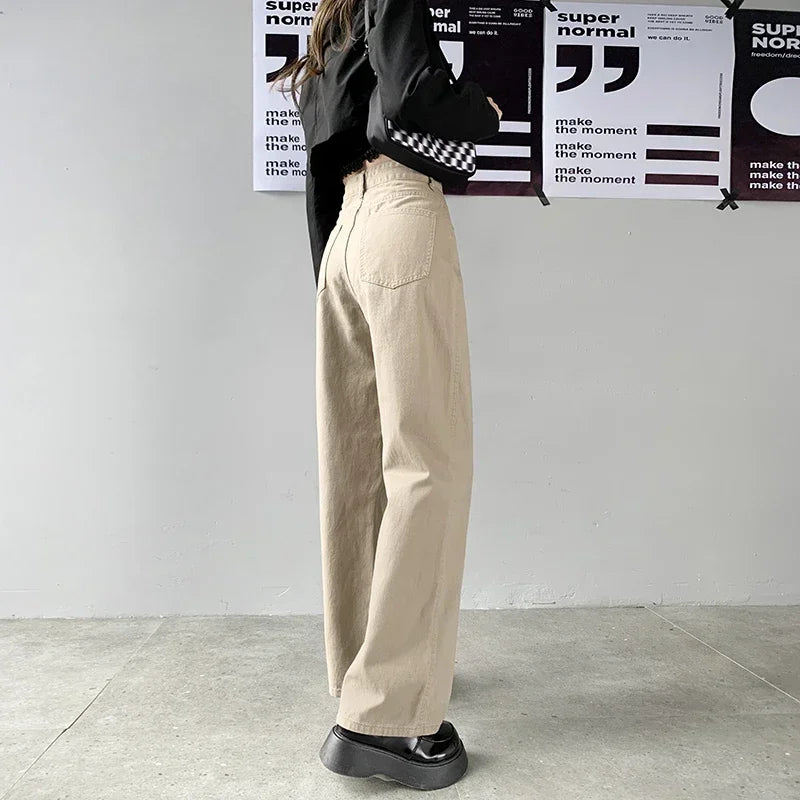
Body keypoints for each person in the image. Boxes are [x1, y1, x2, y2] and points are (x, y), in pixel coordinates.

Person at [272, 0, 502, 790]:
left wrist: (331, 275)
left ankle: (364, 671)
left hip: (345, 232)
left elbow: (323, 149)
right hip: (402, 215)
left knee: (359, 469)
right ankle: (388, 717)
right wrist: (484, 110)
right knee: (430, 466)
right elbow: (413, 96)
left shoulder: (334, 21)